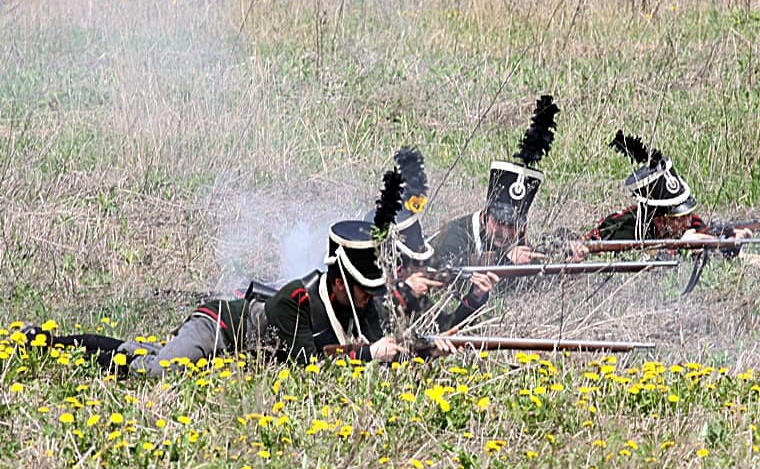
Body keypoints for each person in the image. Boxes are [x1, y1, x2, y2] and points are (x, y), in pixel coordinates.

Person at [23, 173, 415, 376]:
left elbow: (385, 338)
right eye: (364, 287)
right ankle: (58, 344)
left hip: (234, 358)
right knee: (156, 372)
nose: (370, 295)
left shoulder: (357, 303)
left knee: (152, 356)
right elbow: (310, 364)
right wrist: (369, 353)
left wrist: (421, 345)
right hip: (219, 328)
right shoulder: (294, 300)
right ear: (340, 281)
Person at [369, 148, 499, 333]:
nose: (419, 267)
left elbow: (444, 327)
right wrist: (402, 293)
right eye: (413, 261)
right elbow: (371, 328)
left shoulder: (408, 287)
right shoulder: (363, 288)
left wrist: (474, 298)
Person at [429, 95, 560, 268]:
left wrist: (564, 255)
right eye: (499, 222)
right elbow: (451, 273)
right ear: (485, 215)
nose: (505, 232)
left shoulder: (517, 236)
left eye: (512, 225)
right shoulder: (454, 236)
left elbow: (536, 270)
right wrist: (505, 261)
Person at [584, 130, 754, 243]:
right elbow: (650, 262)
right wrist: (683, 246)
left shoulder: (688, 224)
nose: (686, 221)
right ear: (659, 219)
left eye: (687, 215)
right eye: (678, 218)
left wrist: (726, 240)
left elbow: (703, 234)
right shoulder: (627, 230)